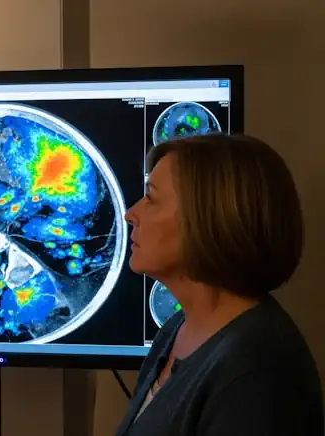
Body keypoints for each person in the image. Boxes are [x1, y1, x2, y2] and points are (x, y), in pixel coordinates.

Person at [115, 133, 323, 436]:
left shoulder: (255, 374)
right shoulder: (178, 330)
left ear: (207, 219)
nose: (130, 213)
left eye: (152, 199)